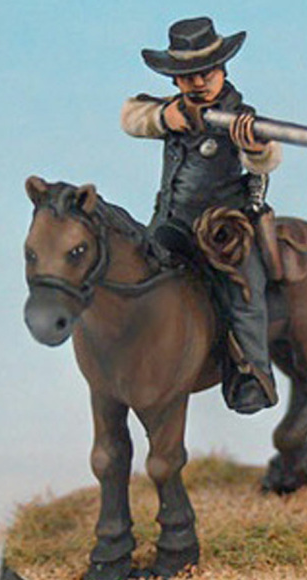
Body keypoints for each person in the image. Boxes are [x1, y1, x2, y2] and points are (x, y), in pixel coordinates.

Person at [121, 16, 282, 414]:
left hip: (224, 229)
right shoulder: (172, 110)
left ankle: (252, 375)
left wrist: (256, 147)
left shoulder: (241, 115)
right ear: (175, 80)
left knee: (244, 292)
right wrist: (164, 118)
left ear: (222, 70)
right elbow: (131, 116)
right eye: (188, 76)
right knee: (138, 276)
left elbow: (267, 159)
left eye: (206, 73)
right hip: (173, 221)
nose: (198, 82)